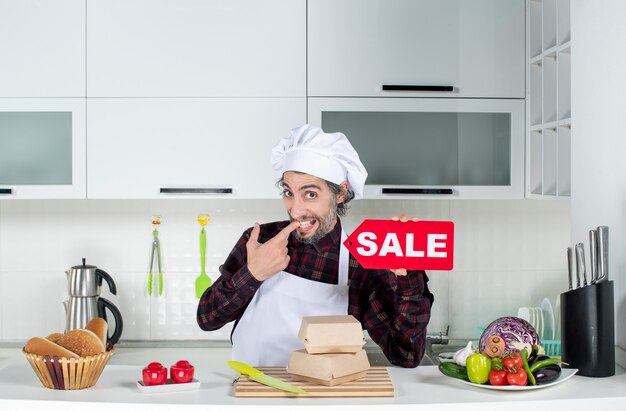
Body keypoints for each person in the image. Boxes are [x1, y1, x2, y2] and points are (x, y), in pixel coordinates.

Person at [197, 124, 434, 367]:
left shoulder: (361, 264)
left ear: (340, 193)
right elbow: (207, 319)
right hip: (251, 392)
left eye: (310, 194)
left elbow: (405, 355)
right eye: (289, 193)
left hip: (325, 398)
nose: (296, 210)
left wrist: (408, 277)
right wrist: (253, 273)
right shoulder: (259, 240)